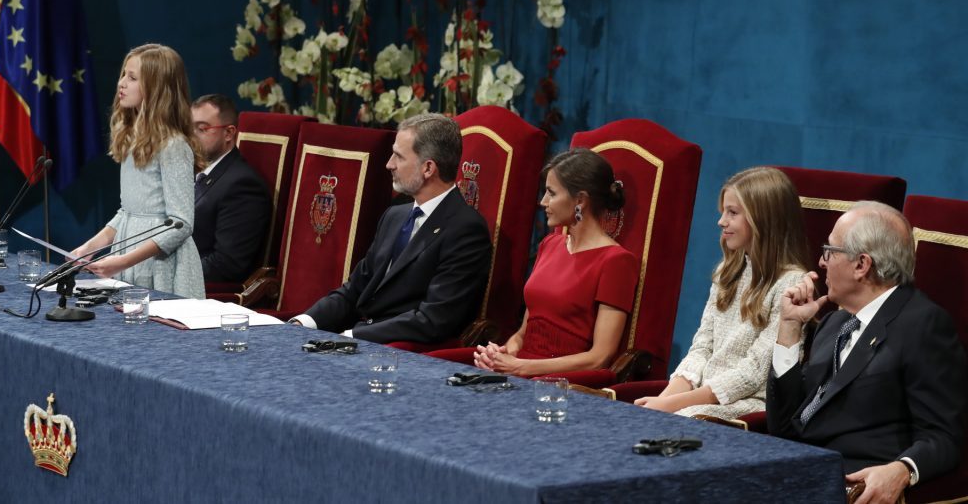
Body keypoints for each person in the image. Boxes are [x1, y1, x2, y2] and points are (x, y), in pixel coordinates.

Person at [767, 201, 966, 503]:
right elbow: (784, 427)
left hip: (848, 486)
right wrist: (790, 327)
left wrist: (902, 469)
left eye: (829, 251)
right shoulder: (834, 324)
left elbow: (944, 435)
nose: (821, 262)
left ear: (861, 265)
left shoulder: (923, 325)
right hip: (796, 471)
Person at [291, 113, 492, 344]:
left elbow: (434, 319)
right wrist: (304, 322)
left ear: (428, 168)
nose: (389, 164)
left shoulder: (465, 230)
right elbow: (354, 290)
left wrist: (350, 337)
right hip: (359, 341)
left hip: (400, 352)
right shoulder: (394, 216)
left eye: (399, 156)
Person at [634, 166, 809, 419]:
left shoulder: (791, 283)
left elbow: (753, 373)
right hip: (702, 397)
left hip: (747, 404)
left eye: (732, 213)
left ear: (763, 218)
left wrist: (672, 405)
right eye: (723, 211)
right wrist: (663, 401)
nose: (721, 221)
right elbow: (702, 346)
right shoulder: (727, 271)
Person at [471, 148, 639, 377]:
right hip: (521, 373)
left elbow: (600, 357)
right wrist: (502, 354)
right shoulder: (549, 245)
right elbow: (522, 334)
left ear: (580, 200)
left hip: (563, 384)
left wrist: (521, 367)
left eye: (551, 193)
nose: (543, 202)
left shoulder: (617, 262)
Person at [72, 44, 205, 299]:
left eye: (132, 78)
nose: (121, 83)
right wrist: (88, 248)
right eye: (124, 74)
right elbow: (127, 213)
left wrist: (124, 261)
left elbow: (181, 224)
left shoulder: (173, 146)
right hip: (130, 257)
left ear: (157, 88)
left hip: (163, 267)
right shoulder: (133, 140)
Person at [191, 94, 271, 283]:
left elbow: (226, 264)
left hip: (203, 292)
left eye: (201, 129)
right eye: (189, 128)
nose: (191, 137)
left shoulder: (243, 185)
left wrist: (169, 274)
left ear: (228, 133)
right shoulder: (190, 170)